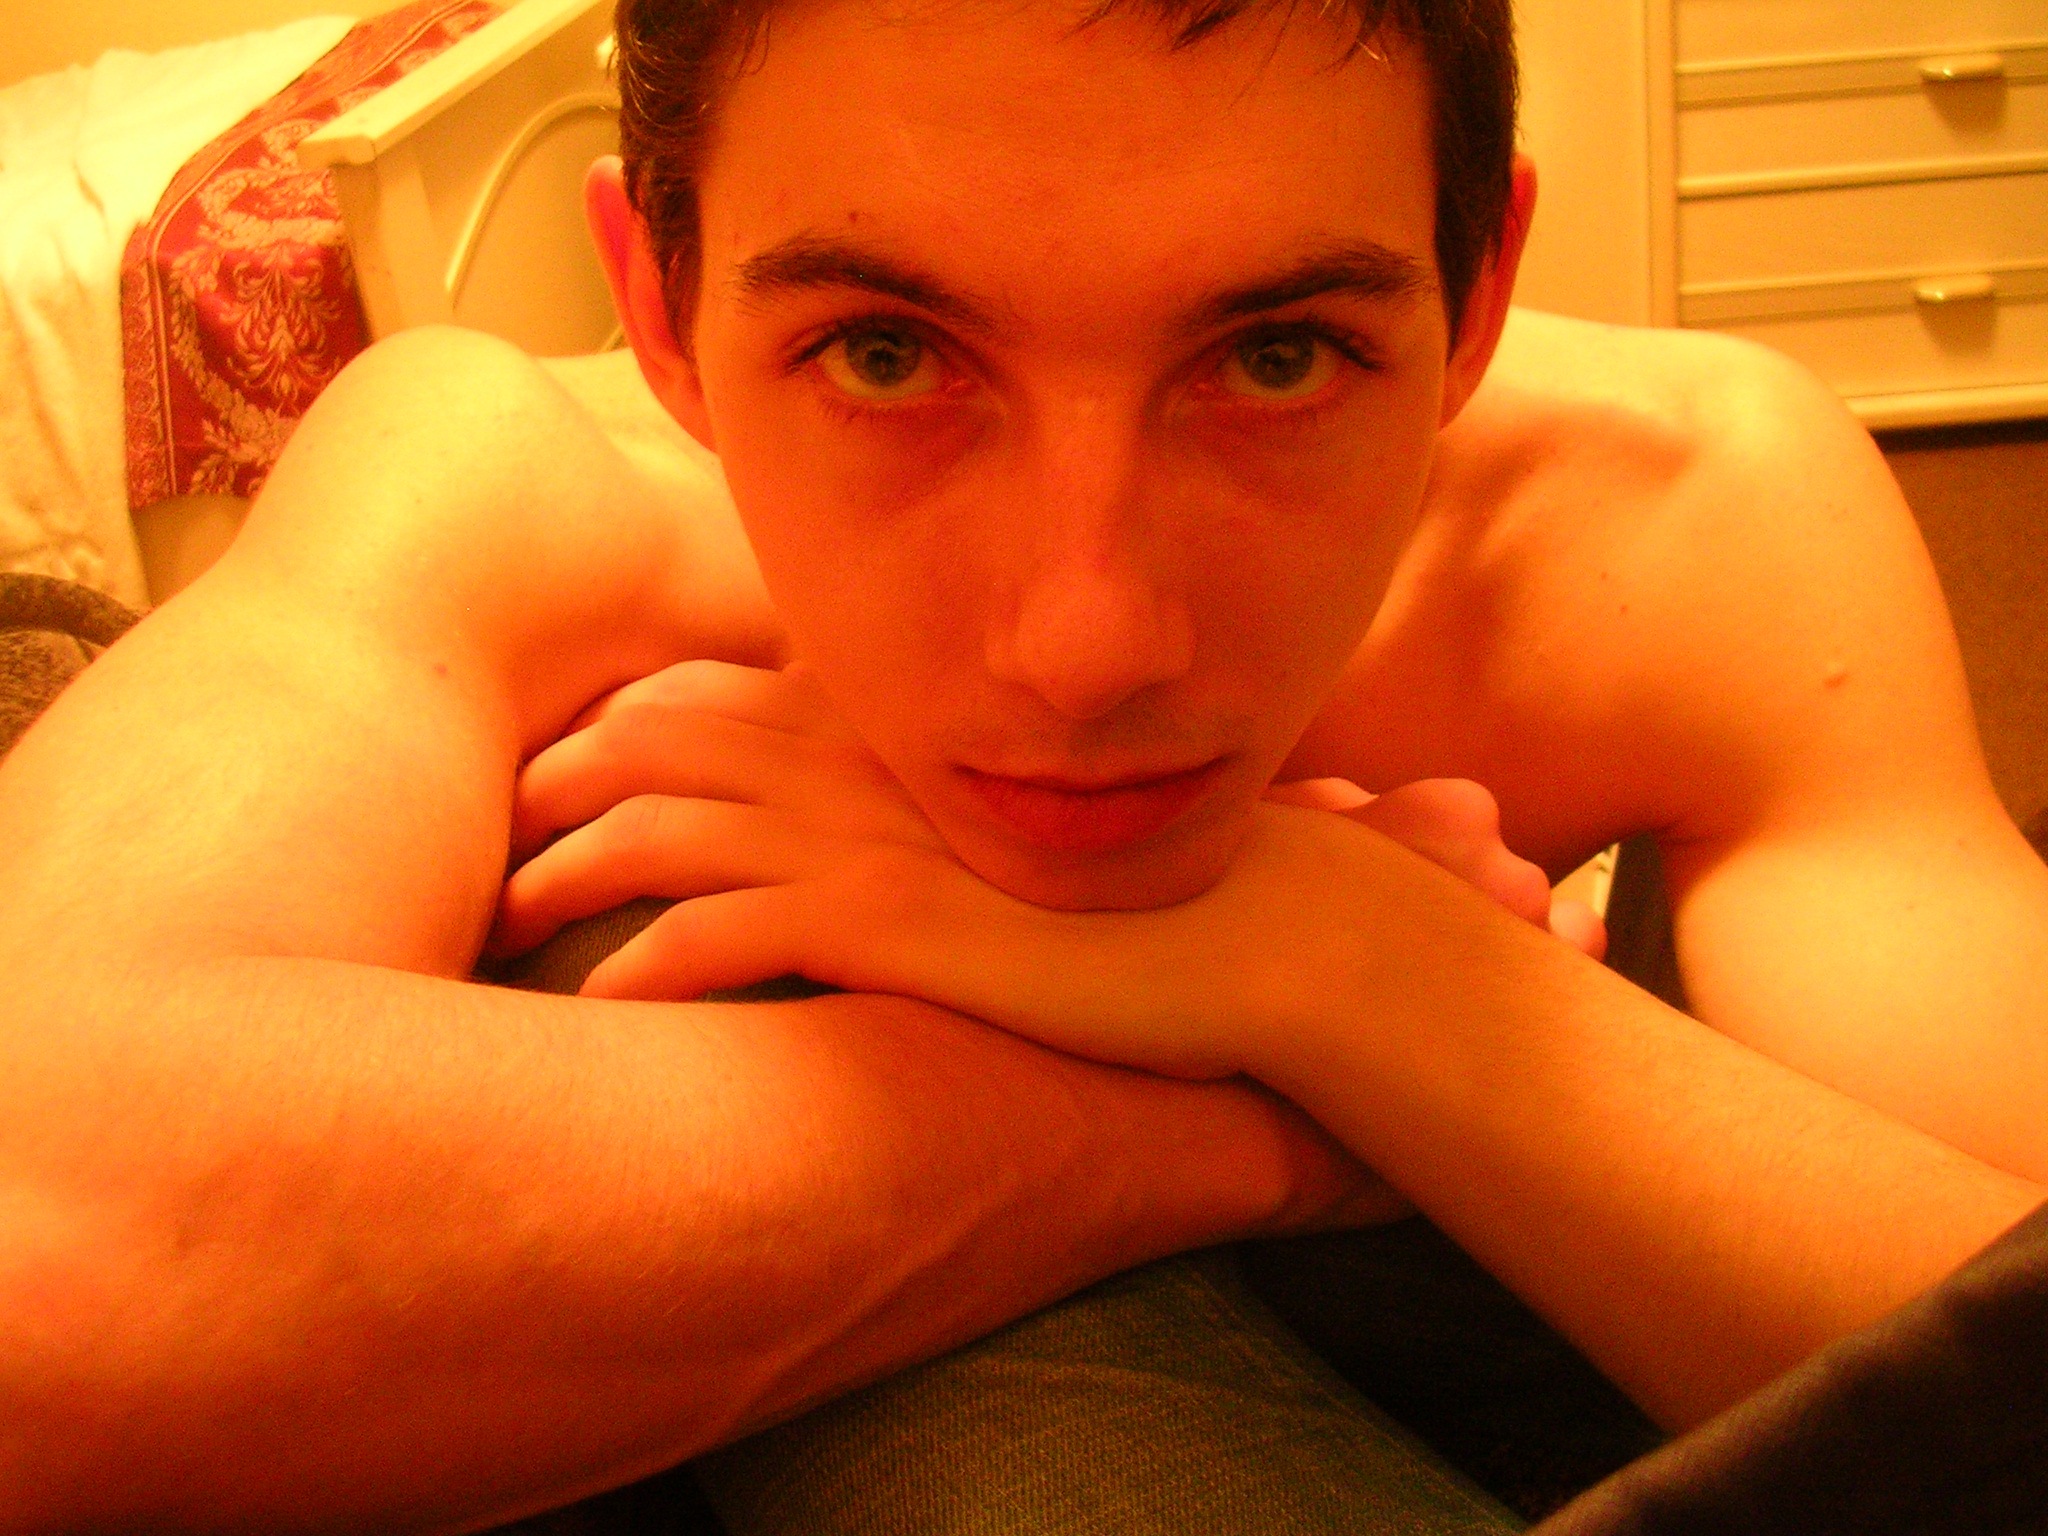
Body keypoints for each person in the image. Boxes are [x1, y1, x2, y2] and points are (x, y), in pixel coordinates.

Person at [0, 0, 2042, 1529]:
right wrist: (1227, 1125)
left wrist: (1356, 956)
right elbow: (38, 1245)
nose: (1086, 647)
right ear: (661, 307)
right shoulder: (508, 484)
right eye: (886, 356)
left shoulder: (1683, 521)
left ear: (1480, 291)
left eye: (1275, 358)